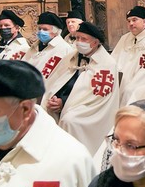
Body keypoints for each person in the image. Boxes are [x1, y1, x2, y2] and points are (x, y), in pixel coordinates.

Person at [41, 22, 119, 154]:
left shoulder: (107, 64)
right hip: (64, 103)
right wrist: (55, 98)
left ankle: (71, 158)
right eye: (77, 38)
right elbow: (57, 82)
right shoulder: (71, 57)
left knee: (70, 121)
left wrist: (64, 103)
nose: (79, 42)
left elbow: (97, 98)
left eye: (84, 39)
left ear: (95, 43)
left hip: (88, 111)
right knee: (42, 111)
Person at [112, 6, 145, 105]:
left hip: (141, 83)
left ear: (144, 21)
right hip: (120, 82)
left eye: (134, 20)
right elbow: (113, 60)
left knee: (130, 92)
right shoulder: (124, 38)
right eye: (128, 21)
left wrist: (130, 87)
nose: (131, 24)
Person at [23, 12, 73, 79]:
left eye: (45, 29)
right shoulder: (34, 47)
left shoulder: (65, 49)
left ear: (56, 32)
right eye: (39, 29)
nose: (41, 32)